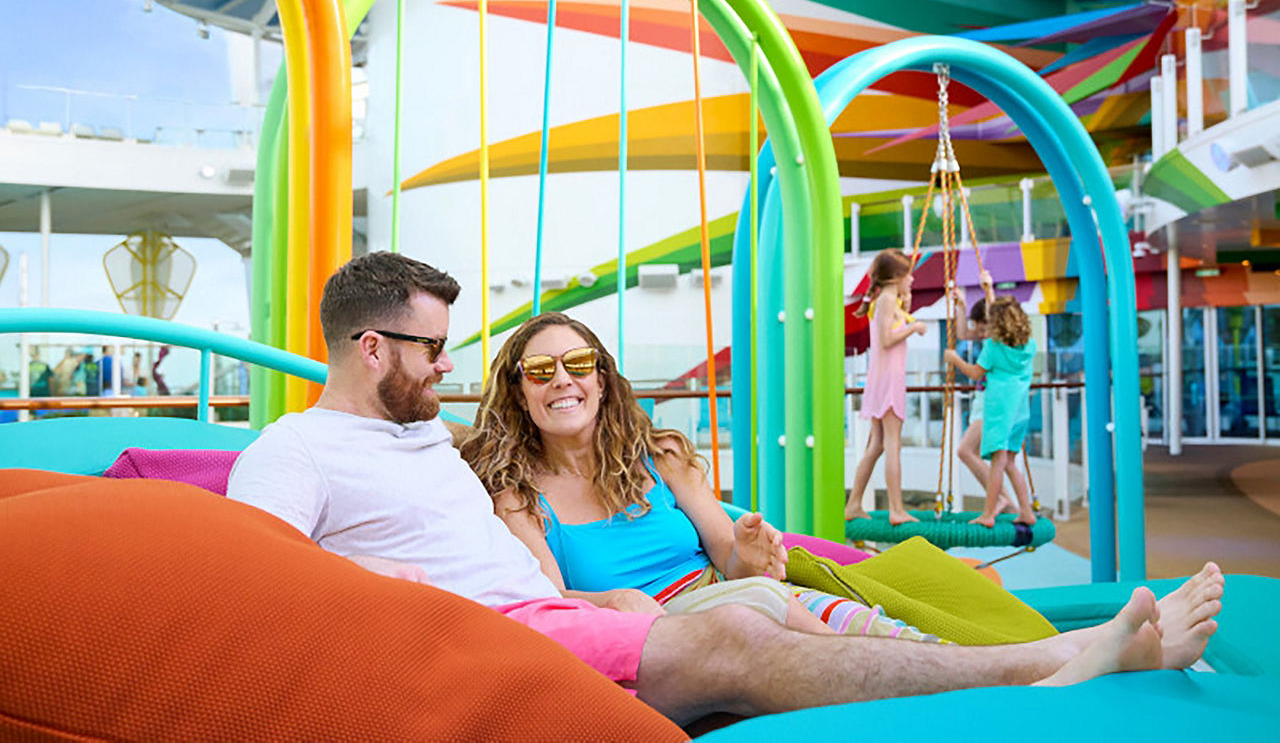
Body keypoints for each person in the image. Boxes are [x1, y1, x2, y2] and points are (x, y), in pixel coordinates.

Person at [226, 251, 1222, 725]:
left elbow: (516, 500)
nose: (446, 365)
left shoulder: (429, 444)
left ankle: (1054, 654)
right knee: (742, 628)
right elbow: (246, 581)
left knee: (770, 598)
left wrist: (600, 590)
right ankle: (1051, 666)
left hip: (559, 615)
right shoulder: (294, 450)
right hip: (500, 639)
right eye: (433, 348)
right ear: (370, 347)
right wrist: (422, 594)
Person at [463, 311, 938, 641]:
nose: (563, 379)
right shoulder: (519, 497)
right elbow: (549, 598)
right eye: (541, 370)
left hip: (738, 594)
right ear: (519, 392)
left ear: (602, 381)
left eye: (579, 364)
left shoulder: (661, 456)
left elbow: (731, 563)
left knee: (893, 636)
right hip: (666, 631)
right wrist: (616, 601)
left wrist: (746, 553)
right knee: (766, 609)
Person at [845, 249, 928, 525]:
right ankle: (896, 509)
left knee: (878, 444)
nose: (913, 279)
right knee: (892, 444)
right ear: (895, 277)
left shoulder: (888, 299)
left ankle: (854, 503)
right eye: (908, 274)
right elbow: (886, 339)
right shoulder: (886, 300)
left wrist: (908, 308)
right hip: (889, 379)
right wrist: (914, 328)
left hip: (882, 377)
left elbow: (890, 327)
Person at [945, 296, 1037, 528]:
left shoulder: (993, 347)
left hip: (999, 409)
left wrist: (955, 359)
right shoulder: (1029, 345)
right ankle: (1026, 511)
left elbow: (976, 373)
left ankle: (988, 514)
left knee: (998, 462)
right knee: (1009, 463)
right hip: (1020, 411)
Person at [950, 275, 1014, 514]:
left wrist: (989, 291)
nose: (979, 333)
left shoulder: (999, 339)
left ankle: (1002, 498)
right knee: (972, 453)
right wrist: (961, 306)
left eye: (983, 327)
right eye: (978, 327)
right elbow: (963, 334)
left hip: (992, 402)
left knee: (965, 451)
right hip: (984, 399)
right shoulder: (987, 339)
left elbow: (995, 318)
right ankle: (1003, 499)